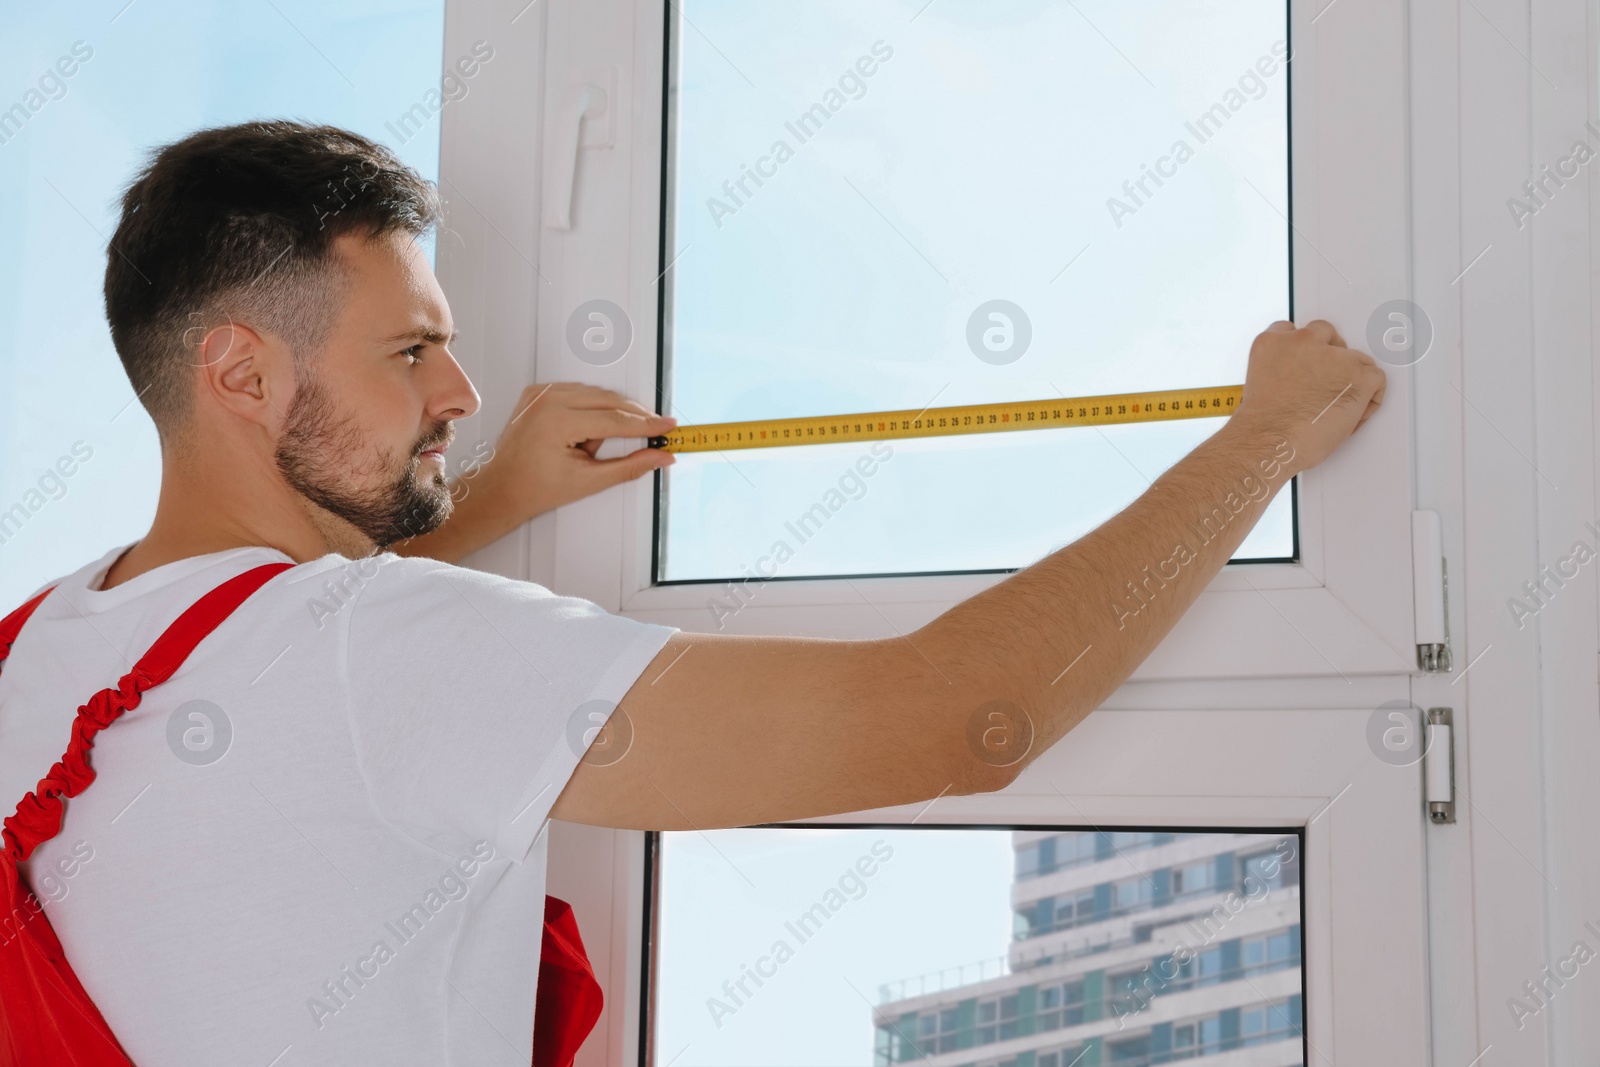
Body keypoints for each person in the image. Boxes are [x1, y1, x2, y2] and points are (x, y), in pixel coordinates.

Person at [0, 122, 1384, 1065]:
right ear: (242, 375)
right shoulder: (383, 651)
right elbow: (971, 717)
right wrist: (1261, 441)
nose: (462, 394)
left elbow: (263, 673)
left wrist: (491, 503)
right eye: (411, 351)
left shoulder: (39, 647)